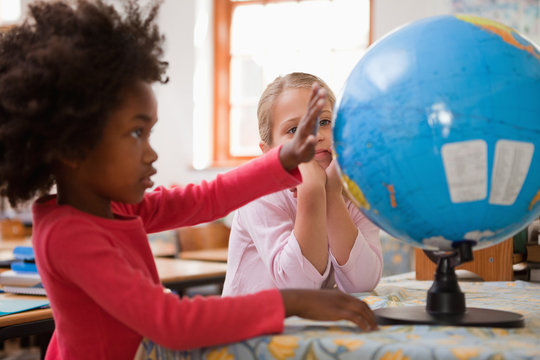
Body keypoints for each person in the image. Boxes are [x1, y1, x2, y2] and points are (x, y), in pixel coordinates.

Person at [0, 1, 377, 359]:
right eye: (136, 134)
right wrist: (292, 301)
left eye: (149, 134)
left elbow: (209, 197)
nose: (152, 154)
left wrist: (284, 159)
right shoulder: (69, 234)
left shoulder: (119, 207)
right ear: (73, 148)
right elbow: (173, 323)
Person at [222, 72, 383, 296]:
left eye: (325, 122)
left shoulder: (352, 187)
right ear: (269, 152)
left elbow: (362, 283)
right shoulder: (260, 193)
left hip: (307, 326)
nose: (315, 136)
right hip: (247, 326)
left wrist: (333, 195)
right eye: (294, 130)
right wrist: (312, 190)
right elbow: (298, 287)